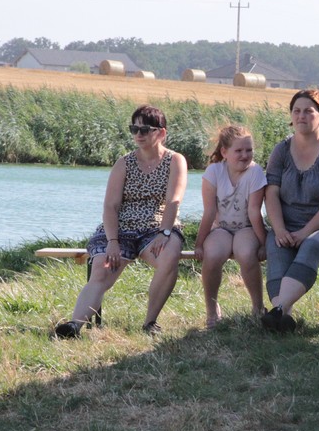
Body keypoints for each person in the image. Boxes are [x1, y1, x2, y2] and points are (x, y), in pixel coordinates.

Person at [54, 105, 188, 338]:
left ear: (161, 133)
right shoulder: (124, 163)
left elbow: (173, 201)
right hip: (120, 229)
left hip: (157, 228)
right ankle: (74, 325)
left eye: (145, 129)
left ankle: (150, 322)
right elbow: (110, 206)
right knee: (101, 271)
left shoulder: (176, 160)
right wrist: (112, 241)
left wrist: (165, 233)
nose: (139, 134)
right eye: (134, 129)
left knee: (170, 256)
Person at [262, 89, 319, 333]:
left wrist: (305, 233)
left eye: (309, 111)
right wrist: (279, 230)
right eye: (296, 111)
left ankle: (277, 311)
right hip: (286, 226)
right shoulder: (281, 150)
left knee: (311, 245)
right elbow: (271, 193)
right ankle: (282, 316)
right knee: (277, 246)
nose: (302, 116)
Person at [194, 124, 268, 329]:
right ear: (224, 152)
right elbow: (209, 212)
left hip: (246, 227)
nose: (245, 155)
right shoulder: (213, 172)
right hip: (221, 228)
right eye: (239, 151)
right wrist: (199, 243)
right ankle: (212, 310)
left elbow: (254, 212)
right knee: (213, 255)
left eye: (249, 150)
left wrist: (263, 244)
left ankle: (257, 307)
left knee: (246, 254)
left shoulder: (255, 172)